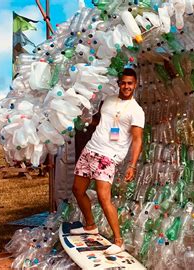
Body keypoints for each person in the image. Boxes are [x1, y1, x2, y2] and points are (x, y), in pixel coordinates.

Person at [71, 68, 145, 255]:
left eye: (130, 83)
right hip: (91, 149)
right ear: (119, 83)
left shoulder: (137, 111)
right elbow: (99, 121)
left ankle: (118, 241)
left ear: (135, 85)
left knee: (104, 198)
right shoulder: (109, 100)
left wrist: (132, 165)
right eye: (123, 82)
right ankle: (90, 225)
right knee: (78, 190)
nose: (126, 86)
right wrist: (85, 118)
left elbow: (137, 140)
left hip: (108, 156)